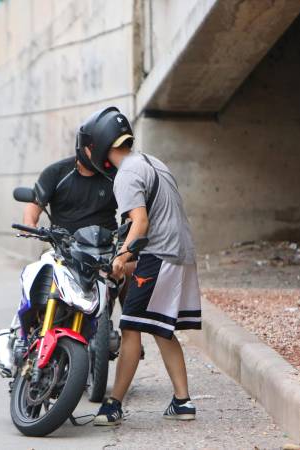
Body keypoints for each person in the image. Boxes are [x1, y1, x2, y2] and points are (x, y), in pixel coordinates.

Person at [78, 108, 201, 426]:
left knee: (131, 327)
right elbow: (157, 219)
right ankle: (182, 401)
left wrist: (120, 258)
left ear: (102, 144)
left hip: (160, 254)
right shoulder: (152, 161)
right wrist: (130, 259)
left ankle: (113, 405)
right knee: (161, 327)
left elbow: (141, 222)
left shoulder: (127, 174)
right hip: (180, 253)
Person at [23, 107, 120, 233]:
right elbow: (34, 205)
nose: (100, 154)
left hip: (107, 247)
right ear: (82, 145)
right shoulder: (56, 172)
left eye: (104, 148)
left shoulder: (116, 174)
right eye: (95, 148)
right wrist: (29, 226)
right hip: (62, 246)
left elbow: (134, 210)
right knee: (46, 253)